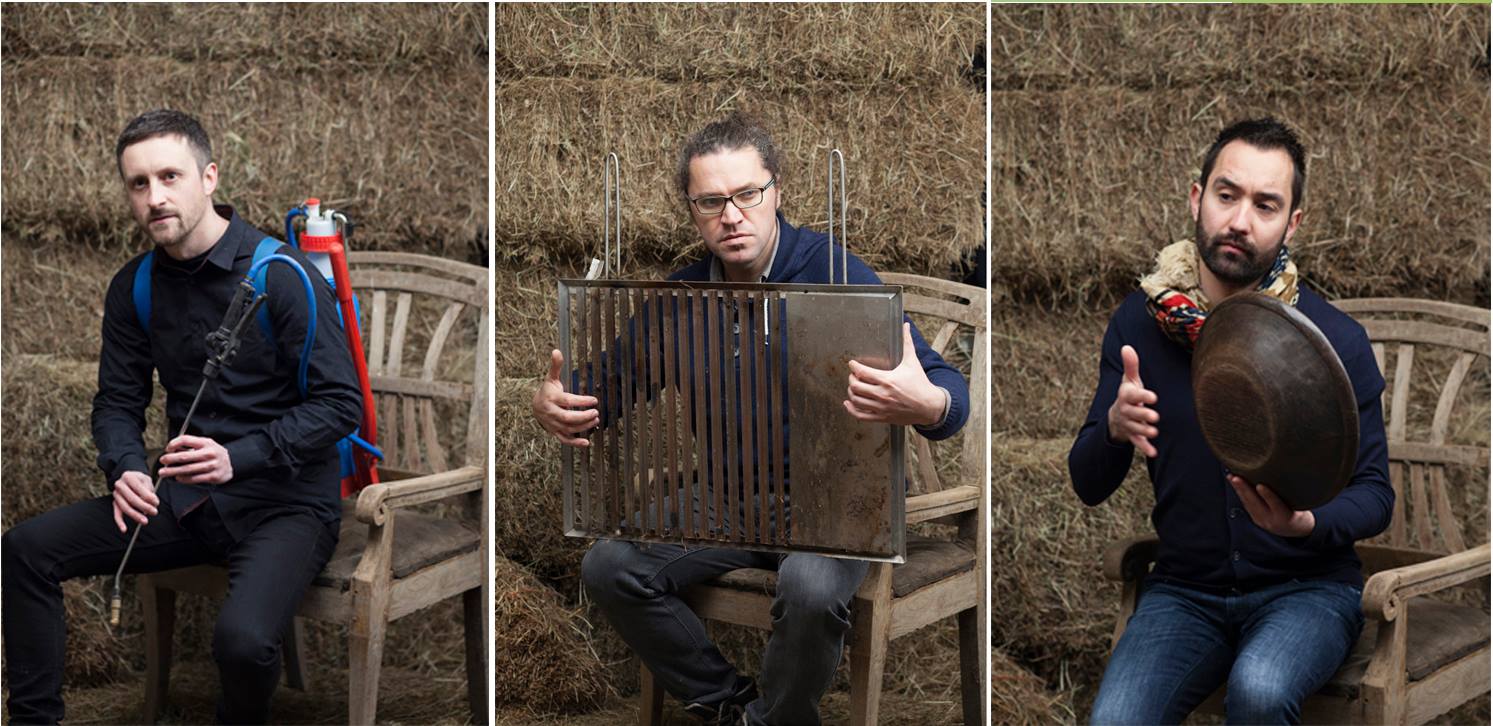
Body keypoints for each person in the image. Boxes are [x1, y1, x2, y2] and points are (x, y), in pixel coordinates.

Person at [531, 112, 971, 726]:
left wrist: (929, 405)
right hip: (728, 502)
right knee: (610, 566)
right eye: (711, 201)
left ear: (776, 192)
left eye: (746, 194)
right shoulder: (681, 300)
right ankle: (732, 709)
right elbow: (607, 389)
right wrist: (555, 401)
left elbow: (948, 391)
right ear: (692, 208)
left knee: (813, 589)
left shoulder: (834, 272)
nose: (731, 215)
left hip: (834, 503)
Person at [1, 110, 363, 724]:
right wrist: (124, 468)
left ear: (209, 176)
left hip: (287, 503)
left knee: (242, 644)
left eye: (170, 176)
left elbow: (340, 404)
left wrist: (238, 457)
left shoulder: (285, 275)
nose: (155, 197)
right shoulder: (134, 287)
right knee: (24, 550)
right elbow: (117, 402)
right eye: (138, 184)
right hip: (185, 500)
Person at [1069, 117, 1393, 725]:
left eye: (1265, 205)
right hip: (1185, 591)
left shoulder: (1336, 342)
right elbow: (1087, 484)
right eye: (1227, 195)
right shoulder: (1138, 327)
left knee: (1261, 689)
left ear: (1292, 223)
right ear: (1197, 199)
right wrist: (1113, 430)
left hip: (1310, 590)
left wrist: (1306, 524)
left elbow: (1375, 495)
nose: (1240, 221)